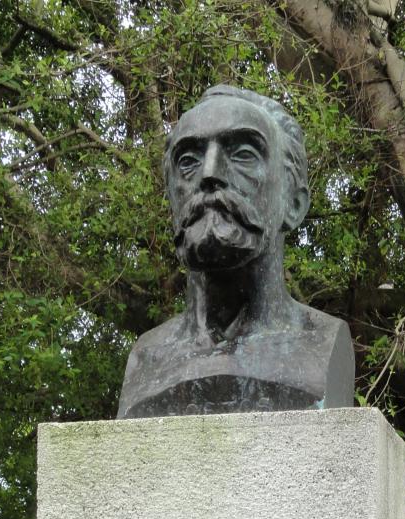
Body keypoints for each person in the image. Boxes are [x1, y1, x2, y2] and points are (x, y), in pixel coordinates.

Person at [117, 85, 354, 419]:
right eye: (188, 161)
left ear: (294, 204)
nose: (209, 174)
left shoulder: (322, 345)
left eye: (243, 154)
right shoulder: (146, 359)